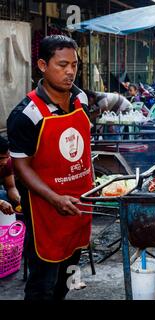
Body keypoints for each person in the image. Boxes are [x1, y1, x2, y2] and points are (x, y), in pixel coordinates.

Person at [7, 35, 92, 300]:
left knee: (68, 272)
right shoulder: (26, 115)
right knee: (43, 279)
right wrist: (55, 198)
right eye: (62, 65)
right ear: (43, 65)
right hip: (46, 208)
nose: (70, 72)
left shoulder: (81, 99)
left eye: (74, 65)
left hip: (79, 204)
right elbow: (21, 168)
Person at [0, 137, 20, 215]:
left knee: (8, 198)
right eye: (1, 158)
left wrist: (18, 200)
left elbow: (11, 187)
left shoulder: (7, 163)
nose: (4, 162)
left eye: (7, 157)